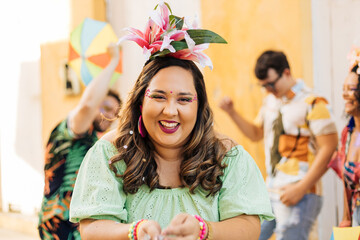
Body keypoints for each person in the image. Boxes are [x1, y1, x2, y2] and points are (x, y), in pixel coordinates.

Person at [69, 2, 274, 240]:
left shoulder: (227, 157)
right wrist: (133, 231)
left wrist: (204, 230)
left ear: (199, 107)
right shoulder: (110, 153)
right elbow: (92, 229)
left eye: (184, 99)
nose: (170, 110)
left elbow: (249, 228)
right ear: (140, 102)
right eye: (158, 96)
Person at [219, 50, 338, 240]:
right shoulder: (270, 102)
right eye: (263, 86)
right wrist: (232, 112)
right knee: (253, 235)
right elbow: (256, 134)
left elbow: (330, 148)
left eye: (271, 84)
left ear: (287, 73)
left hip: (301, 192)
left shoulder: (314, 103)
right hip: (272, 190)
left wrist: (301, 188)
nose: (268, 90)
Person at [38, 43, 122, 240]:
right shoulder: (71, 130)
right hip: (59, 227)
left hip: (82, 228)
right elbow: (87, 105)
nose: (108, 115)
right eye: (105, 107)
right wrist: (114, 62)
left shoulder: (98, 142)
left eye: (114, 113)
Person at [329, 46, 360, 227]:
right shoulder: (347, 134)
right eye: (343, 88)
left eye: (351, 89)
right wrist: (346, 217)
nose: (344, 94)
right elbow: (346, 186)